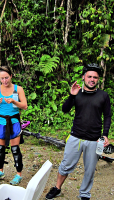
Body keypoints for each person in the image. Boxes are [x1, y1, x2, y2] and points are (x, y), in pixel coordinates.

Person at [45, 63, 111, 200]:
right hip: (75, 137)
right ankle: (57, 188)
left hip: (94, 140)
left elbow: (108, 116)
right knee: (65, 165)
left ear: (98, 80)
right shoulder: (77, 93)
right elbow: (64, 109)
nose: (92, 79)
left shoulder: (103, 96)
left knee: (90, 170)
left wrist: (105, 135)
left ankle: (84, 194)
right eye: (89, 76)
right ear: (83, 77)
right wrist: (71, 95)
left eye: (95, 77)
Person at [0, 66, 28, 185]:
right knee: (0, 149)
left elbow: (25, 106)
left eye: (6, 77)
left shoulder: (18, 89)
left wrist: (14, 101)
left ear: (11, 76)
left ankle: (18, 174)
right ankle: (0, 171)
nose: (4, 81)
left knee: (15, 149)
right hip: (0, 122)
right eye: (2, 78)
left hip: (13, 122)